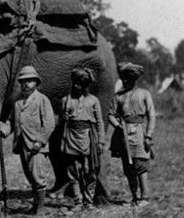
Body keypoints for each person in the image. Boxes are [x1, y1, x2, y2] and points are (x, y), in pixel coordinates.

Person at [0, 65, 55, 215]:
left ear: (36, 82)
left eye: (29, 81)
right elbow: (11, 122)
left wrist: (40, 141)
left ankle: (41, 208)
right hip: (22, 145)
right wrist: (4, 130)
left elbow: (49, 123)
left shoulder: (42, 100)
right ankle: (36, 205)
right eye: (23, 81)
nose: (26, 84)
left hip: (37, 146)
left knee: (37, 177)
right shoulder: (17, 103)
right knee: (30, 176)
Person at [108, 62, 156, 206]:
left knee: (140, 164)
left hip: (140, 133)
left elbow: (151, 115)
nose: (126, 81)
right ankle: (134, 197)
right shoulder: (118, 96)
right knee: (128, 167)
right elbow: (110, 114)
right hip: (123, 134)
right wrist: (117, 126)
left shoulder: (144, 94)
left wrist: (148, 135)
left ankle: (145, 197)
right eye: (124, 78)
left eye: (130, 78)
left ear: (135, 79)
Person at [58, 68, 105, 207]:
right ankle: (78, 200)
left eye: (80, 84)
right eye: (75, 83)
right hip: (71, 138)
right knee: (72, 171)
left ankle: (88, 200)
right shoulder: (65, 100)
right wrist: (63, 117)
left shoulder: (93, 101)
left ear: (86, 86)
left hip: (88, 138)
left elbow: (100, 122)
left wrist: (101, 141)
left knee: (89, 171)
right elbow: (60, 122)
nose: (77, 86)